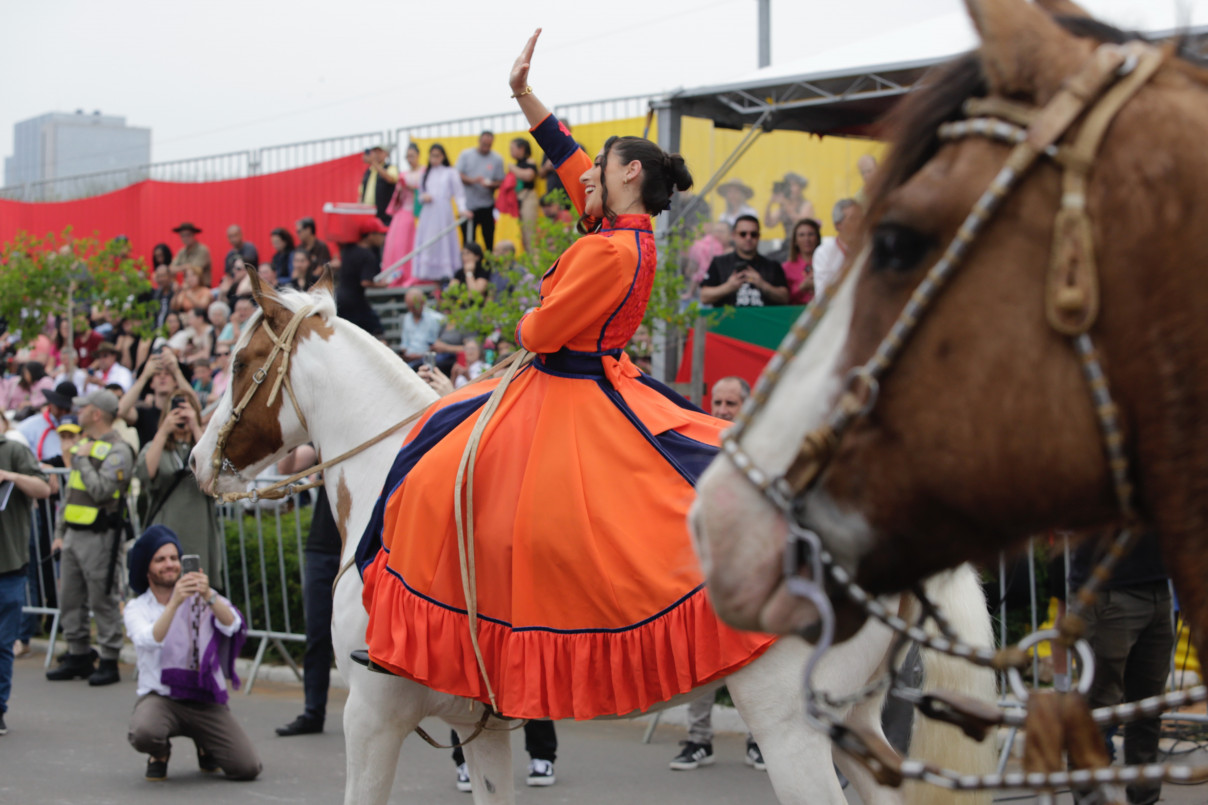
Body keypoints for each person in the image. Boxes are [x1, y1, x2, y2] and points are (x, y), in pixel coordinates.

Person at [358, 30, 773, 725]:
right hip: (595, 378)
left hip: (566, 387)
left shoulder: (609, 251)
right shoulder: (625, 232)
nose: (588, 175)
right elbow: (567, 155)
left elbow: (540, 333)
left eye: (601, 169)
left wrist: (528, 317)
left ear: (629, 175)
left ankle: (444, 643)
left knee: (434, 470)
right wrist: (523, 94)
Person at [671, 375, 764, 772]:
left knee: (755, 660)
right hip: (703, 574)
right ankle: (698, 740)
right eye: (718, 403)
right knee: (703, 658)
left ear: (747, 407)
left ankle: (759, 741)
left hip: (750, 575)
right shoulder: (697, 444)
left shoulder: (762, 450)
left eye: (731, 404)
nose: (723, 411)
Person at [124, 525, 260, 781]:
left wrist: (209, 595)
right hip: (161, 697)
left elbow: (232, 624)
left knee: (247, 768)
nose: (170, 565)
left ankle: (204, 743)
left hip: (203, 697)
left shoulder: (201, 596)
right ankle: (159, 753)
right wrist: (175, 602)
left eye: (174, 558)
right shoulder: (137, 607)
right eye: (160, 559)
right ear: (146, 567)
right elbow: (150, 639)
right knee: (144, 732)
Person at [1069, 531, 1173, 805]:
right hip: (1107, 590)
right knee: (1098, 712)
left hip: (1157, 587)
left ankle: (1144, 799)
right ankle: (1090, 800)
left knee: (1149, 710)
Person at [45, 389, 135, 687]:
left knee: (102, 599)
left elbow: (102, 491)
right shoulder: (85, 445)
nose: (78, 412)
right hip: (73, 535)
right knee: (70, 599)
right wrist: (60, 534)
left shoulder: (118, 450)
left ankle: (109, 658)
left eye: (84, 408)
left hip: (101, 537)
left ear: (97, 414)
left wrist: (81, 461)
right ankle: (78, 654)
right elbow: (71, 494)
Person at [136, 393, 223, 587]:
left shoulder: (205, 446)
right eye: (175, 410)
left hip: (199, 530)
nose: (181, 415)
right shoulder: (155, 446)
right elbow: (145, 474)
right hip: (165, 527)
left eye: (186, 409)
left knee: (197, 588)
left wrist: (196, 427)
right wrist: (163, 431)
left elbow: (217, 474)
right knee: (164, 586)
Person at [276, 484, 341, 737]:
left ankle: (382, 713)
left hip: (364, 543)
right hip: (322, 546)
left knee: (370, 637)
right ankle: (313, 712)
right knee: (317, 634)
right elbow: (286, 466)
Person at [0, 426, 51, 735]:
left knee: (3, 644)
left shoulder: (13, 450)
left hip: (9, 567)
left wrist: (9, 476)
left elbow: (44, 488)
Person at [699, 216, 789, 307]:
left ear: (759, 236)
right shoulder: (719, 263)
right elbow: (704, 297)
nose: (748, 238)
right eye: (743, 234)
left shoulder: (772, 266)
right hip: (728, 316)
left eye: (753, 234)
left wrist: (762, 284)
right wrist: (729, 287)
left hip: (763, 316)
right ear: (733, 235)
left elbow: (785, 298)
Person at [413, 143, 469, 283]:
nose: (434, 158)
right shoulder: (425, 174)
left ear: (442, 156)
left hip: (443, 213)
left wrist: (462, 209)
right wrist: (424, 197)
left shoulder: (450, 172)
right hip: (428, 213)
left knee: (443, 241)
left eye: (437, 155)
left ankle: (445, 275)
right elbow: (420, 195)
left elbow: (459, 194)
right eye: (432, 155)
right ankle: (430, 277)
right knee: (429, 242)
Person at [336, 218, 388, 337]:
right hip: (355, 301)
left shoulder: (348, 249)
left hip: (339, 297)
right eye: (381, 234)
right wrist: (382, 285)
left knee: (346, 335)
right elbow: (365, 282)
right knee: (378, 331)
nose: (383, 238)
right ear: (370, 235)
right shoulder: (368, 255)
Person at [383, 143, 423, 287]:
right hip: (403, 213)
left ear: (418, 155)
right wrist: (400, 189)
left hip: (418, 213)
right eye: (407, 156)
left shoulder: (424, 172)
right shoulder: (403, 175)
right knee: (398, 245)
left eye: (412, 156)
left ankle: (414, 275)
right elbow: (398, 199)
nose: (409, 159)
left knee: (413, 244)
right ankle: (396, 276)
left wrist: (412, 188)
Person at [457, 131, 505, 250]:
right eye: (484, 144)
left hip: (487, 206)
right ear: (479, 141)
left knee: (489, 241)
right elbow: (457, 175)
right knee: (468, 243)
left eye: (489, 145)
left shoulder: (497, 159)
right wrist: (473, 180)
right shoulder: (466, 155)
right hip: (468, 207)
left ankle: (489, 261)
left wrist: (491, 184)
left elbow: (500, 181)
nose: (486, 147)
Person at [813, 198, 861, 296]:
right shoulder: (824, 253)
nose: (860, 223)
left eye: (861, 218)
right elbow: (823, 294)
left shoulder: (870, 248)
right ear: (838, 225)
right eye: (853, 219)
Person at [763, 172, 815, 244]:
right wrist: (770, 204)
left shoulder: (806, 205)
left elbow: (802, 224)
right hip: (788, 243)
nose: (790, 188)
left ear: (800, 187)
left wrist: (785, 204)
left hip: (804, 243)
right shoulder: (783, 207)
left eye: (793, 185)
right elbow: (769, 223)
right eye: (788, 185)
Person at [397, 289, 445, 365]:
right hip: (409, 361)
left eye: (414, 307)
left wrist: (420, 356)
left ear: (423, 302)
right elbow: (404, 345)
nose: (411, 311)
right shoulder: (407, 318)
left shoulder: (437, 319)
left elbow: (438, 346)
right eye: (409, 307)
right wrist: (404, 356)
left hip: (427, 361)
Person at [507, 137, 539, 251]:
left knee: (530, 232)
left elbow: (529, 176)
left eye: (512, 148)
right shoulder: (517, 164)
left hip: (528, 198)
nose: (510, 151)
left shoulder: (530, 162)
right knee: (521, 234)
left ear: (522, 149)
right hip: (517, 201)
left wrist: (512, 168)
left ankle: (534, 258)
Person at [781, 218, 821, 305]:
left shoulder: (826, 265)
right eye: (801, 235)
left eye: (811, 234)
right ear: (795, 241)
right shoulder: (786, 268)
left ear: (817, 238)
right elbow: (782, 299)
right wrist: (802, 287)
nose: (807, 239)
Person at [359, 145, 400, 225]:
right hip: (368, 214)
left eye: (379, 152)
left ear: (386, 154)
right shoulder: (368, 171)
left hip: (384, 217)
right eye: (375, 152)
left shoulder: (391, 167)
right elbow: (361, 193)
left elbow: (390, 179)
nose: (377, 154)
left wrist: (374, 163)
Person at [169, 222, 213, 286]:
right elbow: (171, 268)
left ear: (193, 235)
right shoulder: (181, 252)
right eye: (182, 235)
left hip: (202, 287)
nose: (185, 238)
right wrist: (185, 266)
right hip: (187, 287)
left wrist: (181, 268)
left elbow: (195, 269)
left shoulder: (202, 250)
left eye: (188, 235)